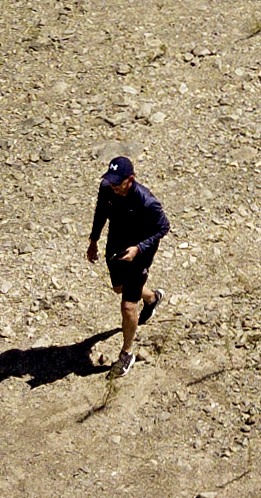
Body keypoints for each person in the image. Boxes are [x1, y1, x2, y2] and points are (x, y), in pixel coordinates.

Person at [85, 156, 170, 374]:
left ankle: (126, 353)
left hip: (139, 254)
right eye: (110, 181)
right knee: (118, 288)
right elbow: (101, 213)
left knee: (128, 306)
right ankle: (152, 298)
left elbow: (163, 227)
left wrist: (139, 248)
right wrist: (93, 241)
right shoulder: (107, 189)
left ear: (129, 180)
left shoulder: (146, 201)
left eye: (117, 182)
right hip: (115, 247)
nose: (112, 185)